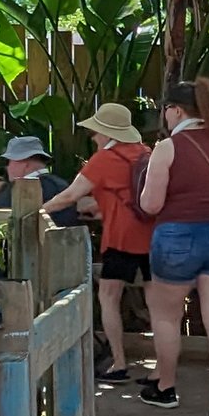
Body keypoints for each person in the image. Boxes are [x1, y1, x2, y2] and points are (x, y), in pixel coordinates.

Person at [136, 71, 209, 416]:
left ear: (175, 111)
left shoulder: (168, 148)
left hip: (177, 236)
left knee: (167, 316)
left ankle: (166, 387)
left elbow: (151, 204)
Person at [42, 102, 152, 382]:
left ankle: (119, 363)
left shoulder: (104, 159)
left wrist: (38, 211)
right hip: (154, 236)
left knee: (108, 297)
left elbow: (69, 196)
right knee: (160, 305)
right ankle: (162, 374)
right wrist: (103, 208)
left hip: (121, 239)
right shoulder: (145, 153)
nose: (93, 137)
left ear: (107, 133)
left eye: (96, 132)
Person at [0, 134, 76, 214]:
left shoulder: (14, 190)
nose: (7, 167)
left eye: (9, 162)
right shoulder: (61, 186)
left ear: (25, 164)